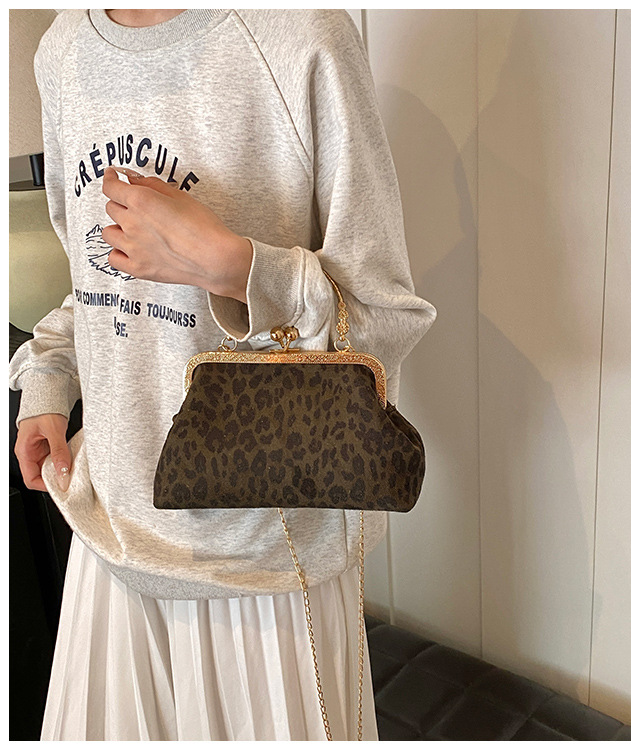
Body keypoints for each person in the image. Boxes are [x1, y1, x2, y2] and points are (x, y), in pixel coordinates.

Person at [10, 8, 437, 741]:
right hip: (108, 538)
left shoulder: (301, 35)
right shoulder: (62, 51)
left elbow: (383, 317)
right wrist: (48, 381)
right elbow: (93, 282)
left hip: (265, 563)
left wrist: (233, 267)